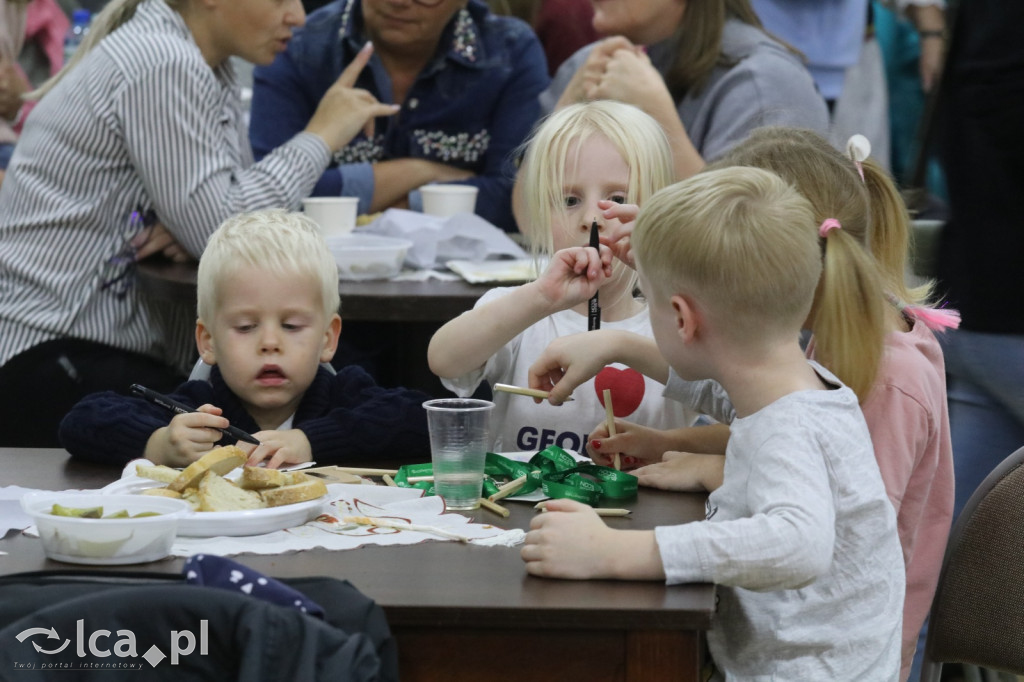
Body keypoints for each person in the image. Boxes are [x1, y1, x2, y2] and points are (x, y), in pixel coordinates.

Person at [533, 126, 955, 681]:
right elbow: (729, 392)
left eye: (650, 302)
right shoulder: (811, 384)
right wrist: (624, 339)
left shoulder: (794, 423)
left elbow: (798, 543)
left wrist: (619, 553)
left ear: (683, 319)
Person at [0, 0, 399, 446]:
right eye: (282, 0)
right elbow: (227, 235)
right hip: (54, 352)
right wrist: (322, 134)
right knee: (245, 439)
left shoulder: (206, 63)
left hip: (91, 346)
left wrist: (193, 219)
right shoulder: (163, 59)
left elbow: (216, 218)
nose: (298, 17)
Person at [60, 209, 432, 469]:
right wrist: (159, 443)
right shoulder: (199, 407)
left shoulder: (343, 396)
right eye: (245, 327)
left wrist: (312, 440)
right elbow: (82, 421)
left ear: (326, 339)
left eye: (291, 326)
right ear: (208, 342)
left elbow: (424, 419)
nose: (270, 343)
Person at [427, 100, 698, 453]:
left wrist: (657, 277)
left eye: (616, 198)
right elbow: (444, 359)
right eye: (569, 200)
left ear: (655, 209)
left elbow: (715, 390)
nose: (591, 219)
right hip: (529, 506)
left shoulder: (677, 321)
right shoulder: (521, 312)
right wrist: (540, 298)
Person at [248, 0, 549, 233]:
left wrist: (375, 206)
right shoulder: (298, 46)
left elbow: (516, 198)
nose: (401, 2)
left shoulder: (510, 52)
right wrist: (422, 172)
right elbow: (268, 198)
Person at [541, 0, 829, 181]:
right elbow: (528, 219)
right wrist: (565, 111)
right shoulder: (590, 64)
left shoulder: (765, 82)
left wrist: (658, 119)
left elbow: (756, 249)